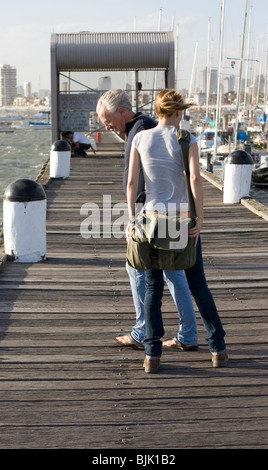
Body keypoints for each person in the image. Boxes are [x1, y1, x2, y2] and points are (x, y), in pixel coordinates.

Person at [126, 89, 228, 372]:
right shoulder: (187, 139)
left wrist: (133, 219)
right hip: (182, 220)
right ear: (178, 112)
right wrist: (200, 218)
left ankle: (152, 356)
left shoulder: (140, 138)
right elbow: (195, 178)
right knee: (198, 285)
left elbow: (133, 182)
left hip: (150, 221)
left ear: (157, 111)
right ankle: (217, 348)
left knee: (151, 289)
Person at [97, 89, 198, 350]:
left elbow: (134, 180)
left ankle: (144, 334)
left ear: (121, 111)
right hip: (173, 213)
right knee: (173, 273)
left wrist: (132, 219)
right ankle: (187, 334)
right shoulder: (145, 129)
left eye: (107, 120)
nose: (107, 126)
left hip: (151, 213)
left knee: (140, 270)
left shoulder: (141, 131)